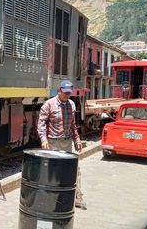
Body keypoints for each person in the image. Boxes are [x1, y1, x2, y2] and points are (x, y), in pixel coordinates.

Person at [37, 80, 87, 210]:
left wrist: (77, 140)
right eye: (65, 93)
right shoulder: (48, 104)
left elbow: (72, 125)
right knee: (52, 172)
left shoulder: (71, 104)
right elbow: (41, 124)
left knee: (74, 170)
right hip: (53, 143)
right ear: (59, 91)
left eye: (69, 93)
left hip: (67, 143)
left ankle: (77, 197)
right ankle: (49, 198)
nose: (67, 95)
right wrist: (43, 139)